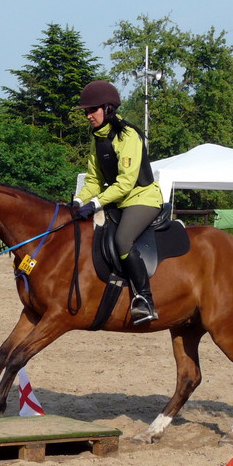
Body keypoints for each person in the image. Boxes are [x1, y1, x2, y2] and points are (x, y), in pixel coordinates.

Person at [72, 80, 163, 324]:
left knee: (122, 239)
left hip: (143, 198)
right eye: (87, 112)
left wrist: (96, 203)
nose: (88, 116)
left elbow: (125, 183)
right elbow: (93, 179)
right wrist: (79, 200)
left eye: (92, 110)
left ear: (108, 108)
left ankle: (145, 300)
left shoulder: (128, 135)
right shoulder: (97, 139)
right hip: (118, 201)